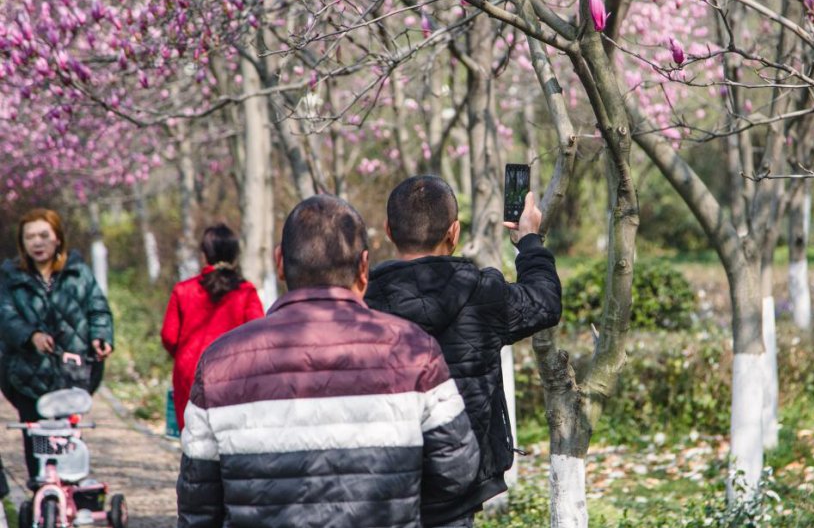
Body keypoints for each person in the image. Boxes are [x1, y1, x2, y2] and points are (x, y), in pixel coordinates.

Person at [176, 195, 479, 528]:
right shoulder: (415, 352)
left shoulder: (219, 364)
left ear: (280, 263)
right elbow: (458, 471)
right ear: (364, 267)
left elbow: (198, 501)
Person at [365, 175, 562, 528]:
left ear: (388, 231)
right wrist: (528, 240)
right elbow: (545, 302)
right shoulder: (484, 293)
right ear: (454, 233)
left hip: (381, 483)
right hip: (458, 483)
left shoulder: (362, 304)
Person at [0, 208, 114, 485]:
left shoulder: (78, 273)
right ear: (22, 243)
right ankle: (42, 495)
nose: (37, 243)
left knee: (68, 435)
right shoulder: (10, 276)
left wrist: (102, 337)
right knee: (36, 435)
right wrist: (31, 336)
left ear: (58, 239)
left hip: (71, 373)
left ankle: (68, 493)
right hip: (26, 374)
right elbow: (5, 315)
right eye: (30, 237)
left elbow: (98, 309)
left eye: (43, 235)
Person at [161, 224, 264, 432]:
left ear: (204, 254)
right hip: (234, 376)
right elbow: (258, 335)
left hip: (190, 373)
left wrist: (183, 353)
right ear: (234, 254)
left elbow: (169, 336)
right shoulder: (245, 292)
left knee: (193, 437)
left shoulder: (183, 291)